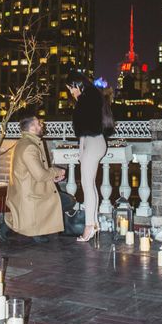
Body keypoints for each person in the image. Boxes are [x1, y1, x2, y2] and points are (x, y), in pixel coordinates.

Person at [0, 112, 71, 243]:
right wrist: (56, 171)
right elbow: (40, 175)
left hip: (29, 190)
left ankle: (36, 229)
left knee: (62, 200)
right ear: (31, 128)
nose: (41, 125)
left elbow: (34, 173)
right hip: (31, 194)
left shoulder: (24, 143)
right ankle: (9, 223)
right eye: (38, 124)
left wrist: (52, 178)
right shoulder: (30, 147)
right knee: (68, 201)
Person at [67, 69, 114, 242]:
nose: (71, 92)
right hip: (95, 142)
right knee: (89, 185)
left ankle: (89, 226)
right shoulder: (92, 96)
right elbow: (84, 131)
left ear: (78, 85)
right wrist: (81, 152)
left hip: (93, 142)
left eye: (71, 88)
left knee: (87, 186)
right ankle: (93, 224)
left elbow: (86, 129)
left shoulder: (87, 98)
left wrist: (82, 150)